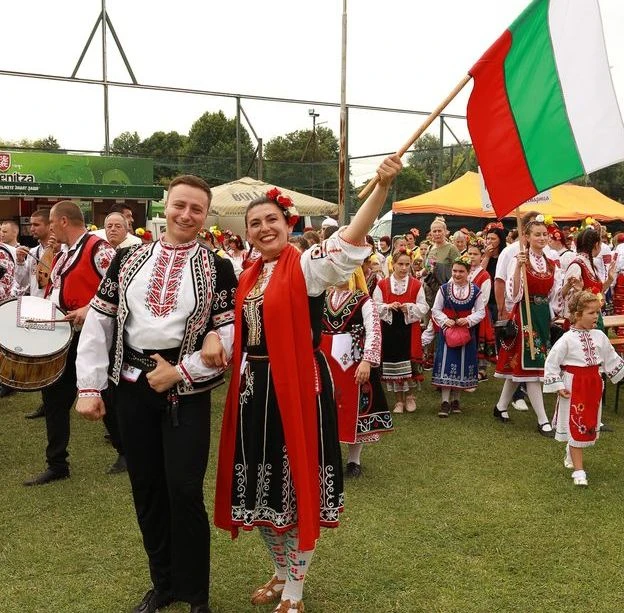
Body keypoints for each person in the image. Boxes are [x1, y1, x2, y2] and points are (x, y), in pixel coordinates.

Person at [214, 155, 402, 613]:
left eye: (271, 220)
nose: (262, 229)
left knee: (296, 489)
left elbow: (351, 237)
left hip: (297, 386)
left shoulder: (306, 266)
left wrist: (379, 188)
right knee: (260, 489)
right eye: (254, 223)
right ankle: (280, 573)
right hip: (255, 390)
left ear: (288, 222)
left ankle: (295, 591)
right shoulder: (250, 275)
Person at [75, 175, 236, 613]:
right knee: (146, 489)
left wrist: (182, 371)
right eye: (180, 205)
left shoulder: (219, 266)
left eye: (196, 209)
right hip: (132, 388)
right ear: (166, 206)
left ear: (206, 217)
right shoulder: (126, 259)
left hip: (186, 393)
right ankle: (163, 583)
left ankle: (195, 593)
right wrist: (89, 385)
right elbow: (100, 321)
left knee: (184, 490)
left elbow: (228, 333)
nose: (186, 215)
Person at [24, 201, 116, 486]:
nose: (50, 229)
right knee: (54, 398)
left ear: (63, 221)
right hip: (66, 338)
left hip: (96, 339)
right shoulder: (63, 255)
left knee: (107, 396)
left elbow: (123, 289)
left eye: (51, 223)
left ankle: (126, 450)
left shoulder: (100, 250)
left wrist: (90, 309)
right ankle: (57, 464)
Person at [544, 291, 624, 486]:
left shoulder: (600, 337)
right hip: (574, 385)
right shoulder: (566, 339)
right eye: (591, 313)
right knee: (575, 424)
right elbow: (551, 362)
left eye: (597, 312)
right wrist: (558, 386)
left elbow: (612, 359)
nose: (596, 316)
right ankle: (579, 471)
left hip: (593, 384)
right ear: (577, 315)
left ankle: (571, 453)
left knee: (587, 423)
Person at [493, 217, 562, 435]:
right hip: (524, 314)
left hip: (542, 316)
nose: (542, 238)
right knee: (532, 366)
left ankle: (500, 406)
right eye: (537, 234)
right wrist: (518, 267)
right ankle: (543, 420)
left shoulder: (551, 263)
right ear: (527, 237)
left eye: (545, 234)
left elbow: (553, 295)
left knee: (521, 366)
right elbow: (514, 294)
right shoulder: (519, 259)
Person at [320, 280, 392, 478]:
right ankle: (328, 457)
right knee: (326, 407)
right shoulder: (324, 296)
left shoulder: (363, 300)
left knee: (354, 407)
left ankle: (354, 460)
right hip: (325, 359)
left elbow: (374, 331)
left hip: (352, 360)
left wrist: (367, 361)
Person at [373, 247, 429, 414]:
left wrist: (409, 308)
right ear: (393, 264)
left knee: (409, 361)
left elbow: (423, 306)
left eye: (407, 264)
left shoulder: (416, 284)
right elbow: (375, 306)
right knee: (394, 363)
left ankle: (410, 396)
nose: (404, 268)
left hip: (409, 329)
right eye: (400, 264)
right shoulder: (382, 284)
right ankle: (398, 400)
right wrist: (388, 307)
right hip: (390, 330)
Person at [431, 255, 486, 416]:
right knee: (447, 364)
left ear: (468, 272)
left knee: (462, 365)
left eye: (461, 271)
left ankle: (456, 400)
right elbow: (435, 309)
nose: (457, 274)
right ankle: (445, 402)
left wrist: (468, 320)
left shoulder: (475, 290)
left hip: (466, 333)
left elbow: (481, 312)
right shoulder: (444, 289)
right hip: (448, 331)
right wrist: (445, 320)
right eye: (454, 271)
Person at [14, 209, 56, 418]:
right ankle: (48, 403)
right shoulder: (34, 251)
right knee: (42, 357)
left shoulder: (61, 251)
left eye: (36, 225)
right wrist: (21, 261)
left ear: (50, 225)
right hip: (36, 307)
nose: (31, 229)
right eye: (31, 224)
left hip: (55, 309)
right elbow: (23, 283)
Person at [467, 240, 497, 379]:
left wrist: (471, 313)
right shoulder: (464, 271)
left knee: (479, 340)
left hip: (478, 313)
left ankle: (481, 370)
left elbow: (484, 298)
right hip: (465, 313)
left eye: (475, 254)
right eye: (470, 253)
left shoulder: (484, 275)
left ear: (481, 256)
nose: (472, 257)